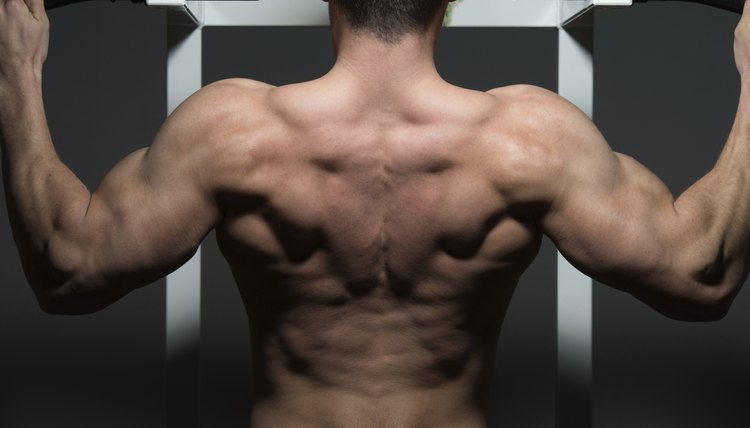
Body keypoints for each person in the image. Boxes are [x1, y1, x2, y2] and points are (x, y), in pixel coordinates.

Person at [1, 0, 749, 426]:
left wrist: (19, 76)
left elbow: (66, 266)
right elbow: (702, 271)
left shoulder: (232, 135)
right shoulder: (529, 142)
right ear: (448, 2)